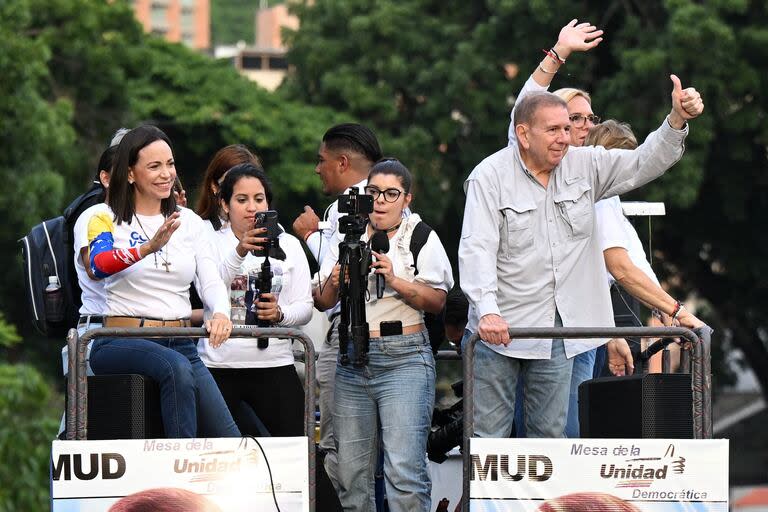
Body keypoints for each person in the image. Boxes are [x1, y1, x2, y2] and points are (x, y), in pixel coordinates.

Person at [460, 42, 704, 442]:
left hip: (559, 332)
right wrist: (486, 311)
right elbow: (476, 249)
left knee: (550, 442)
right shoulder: (489, 176)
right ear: (522, 134)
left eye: (569, 129)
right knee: (487, 444)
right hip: (500, 333)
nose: (566, 138)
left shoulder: (586, 164)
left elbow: (644, 162)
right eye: (554, 129)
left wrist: (675, 120)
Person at [84, 124, 240, 438]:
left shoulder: (190, 222)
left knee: (230, 439)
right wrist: (147, 248)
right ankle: (178, 473)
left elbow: (210, 281)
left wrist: (221, 313)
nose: (166, 173)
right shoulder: (103, 215)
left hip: (181, 342)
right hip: (121, 339)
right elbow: (99, 265)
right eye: (154, 166)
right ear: (130, 173)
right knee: (175, 368)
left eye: (170, 164)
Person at [316, 158, 453, 512]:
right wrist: (336, 279)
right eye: (373, 192)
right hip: (351, 357)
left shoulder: (420, 236)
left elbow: (438, 302)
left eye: (391, 193)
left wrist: (395, 280)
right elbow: (321, 301)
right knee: (350, 475)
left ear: (406, 199)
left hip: (404, 357)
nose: (380, 200)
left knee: (404, 474)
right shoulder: (347, 236)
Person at [292, 123, 383, 489]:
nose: (318, 168)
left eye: (322, 160)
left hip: (348, 333)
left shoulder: (346, 207)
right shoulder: (390, 196)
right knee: (378, 452)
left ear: (342, 162)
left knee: (337, 446)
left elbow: (337, 278)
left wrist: (311, 235)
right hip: (385, 334)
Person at [197, 163, 313, 436]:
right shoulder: (209, 241)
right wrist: (239, 250)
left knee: (293, 447)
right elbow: (208, 289)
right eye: (241, 199)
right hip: (218, 364)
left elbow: (305, 307)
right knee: (217, 452)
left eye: (259, 199)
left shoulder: (290, 245)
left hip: (274, 363)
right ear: (224, 205)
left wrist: (280, 314)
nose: (252, 208)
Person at [585, 120, 704, 373]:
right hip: (597, 313)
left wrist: (662, 308)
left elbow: (634, 255)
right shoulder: (600, 198)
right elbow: (622, 267)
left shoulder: (609, 197)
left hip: (602, 315)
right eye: (625, 161)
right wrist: (675, 310)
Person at [196, 144, 262, 230]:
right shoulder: (200, 230)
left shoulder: (274, 231)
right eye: (230, 182)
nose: (240, 188)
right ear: (214, 186)